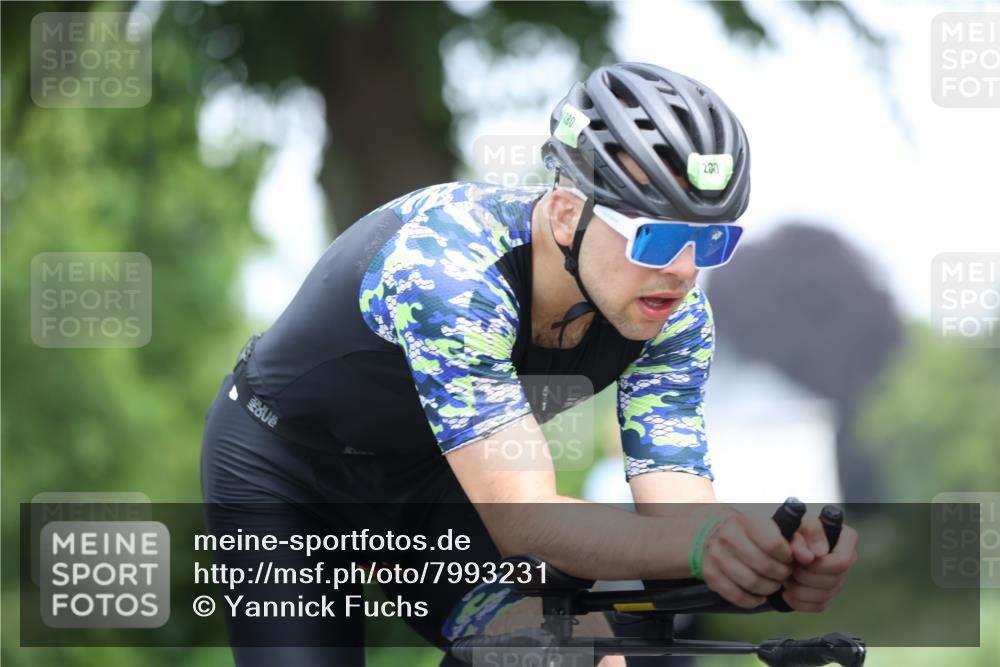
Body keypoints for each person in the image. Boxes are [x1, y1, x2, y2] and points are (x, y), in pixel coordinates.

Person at [201, 62, 858, 667]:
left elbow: (679, 515)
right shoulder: (450, 272)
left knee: (569, 651)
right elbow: (527, 521)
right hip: (282, 477)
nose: (683, 271)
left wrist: (765, 558)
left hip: (433, 486)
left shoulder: (674, 316)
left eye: (709, 241)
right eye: (656, 238)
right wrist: (709, 543)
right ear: (568, 215)